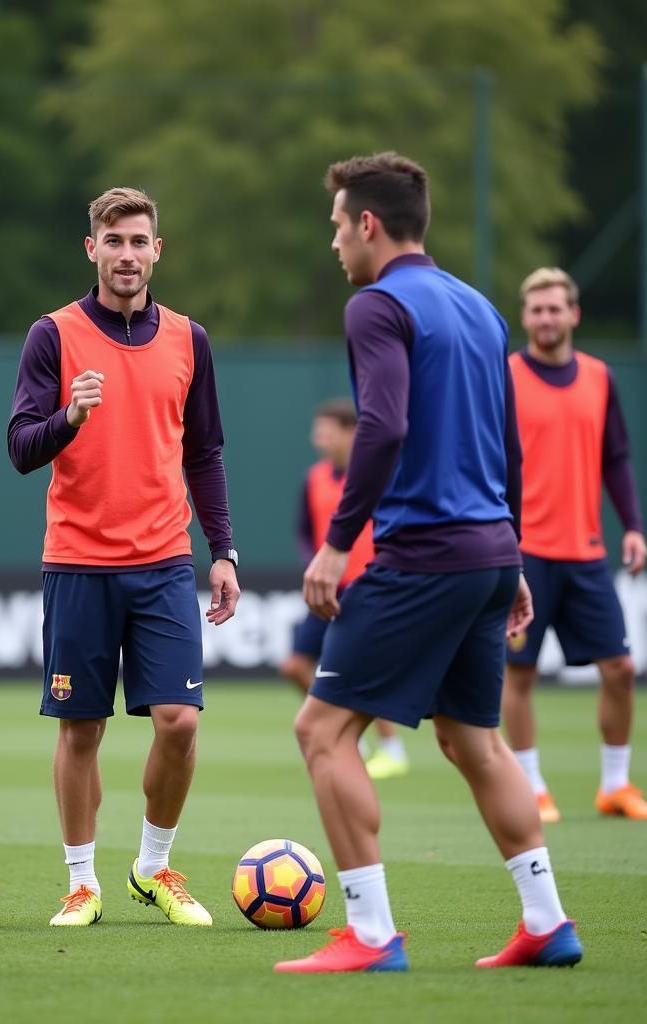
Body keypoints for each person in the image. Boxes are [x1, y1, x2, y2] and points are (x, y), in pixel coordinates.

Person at [275, 152, 582, 974]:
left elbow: (381, 426)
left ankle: (371, 934)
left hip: (426, 556)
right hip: (488, 553)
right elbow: (508, 443)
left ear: (368, 223)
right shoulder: (480, 307)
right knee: (474, 740)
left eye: (338, 224)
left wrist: (338, 546)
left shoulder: (376, 305)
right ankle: (547, 921)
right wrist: (511, 552)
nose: (334, 240)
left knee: (322, 729)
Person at [7, 186, 239, 928]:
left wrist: (223, 550)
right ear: (92, 250)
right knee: (81, 731)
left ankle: (153, 865)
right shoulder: (53, 334)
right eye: (115, 242)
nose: (128, 255)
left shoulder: (188, 339)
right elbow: (19, 448)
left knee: (180, 721)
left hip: (165, 560)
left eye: (140, 241)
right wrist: (67, 418)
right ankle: (82, 882)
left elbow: (204, 452)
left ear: (157, 250)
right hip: (77, 561)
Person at [504, 268, 646, 823]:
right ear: (525, 316)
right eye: (536, 309)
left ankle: (615, 783)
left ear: (573, 314)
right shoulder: (506, 375)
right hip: (524, 552)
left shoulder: (600, 377)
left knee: (621, 668)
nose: (545, 318)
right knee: (520, 675)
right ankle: (532, 787)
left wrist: (632, 524)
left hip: (586, 552)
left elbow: (615, 457)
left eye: (554, 309)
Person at [282, 398, 408, 779]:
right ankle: (356, 741)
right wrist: (314, 561)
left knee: (365, 672)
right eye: (317, 431)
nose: (320, 439)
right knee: (295, 666)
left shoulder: (378, 475)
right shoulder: (315, 477)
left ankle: (392, 749)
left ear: (353, 433)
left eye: (328, 431)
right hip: (327, 589)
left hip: (367, 586)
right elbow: (305, 531)